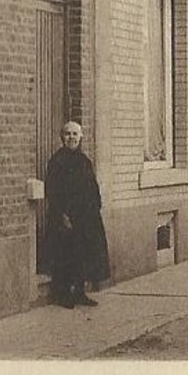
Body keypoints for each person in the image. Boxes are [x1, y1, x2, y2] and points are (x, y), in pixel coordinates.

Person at [42, 121, 110, 308]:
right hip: (65, 217)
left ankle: (79, 292)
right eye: (68, 134)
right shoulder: (57, 161)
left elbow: (92, 187)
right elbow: (52, 191)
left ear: (81, 137)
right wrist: (62, 216)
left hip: (85, 218)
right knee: (65, 256)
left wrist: (95, 209)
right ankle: (62, 294)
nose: (71, 137)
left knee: (82, 256)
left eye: (75, 134)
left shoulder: (84, 161)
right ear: (62, 138)